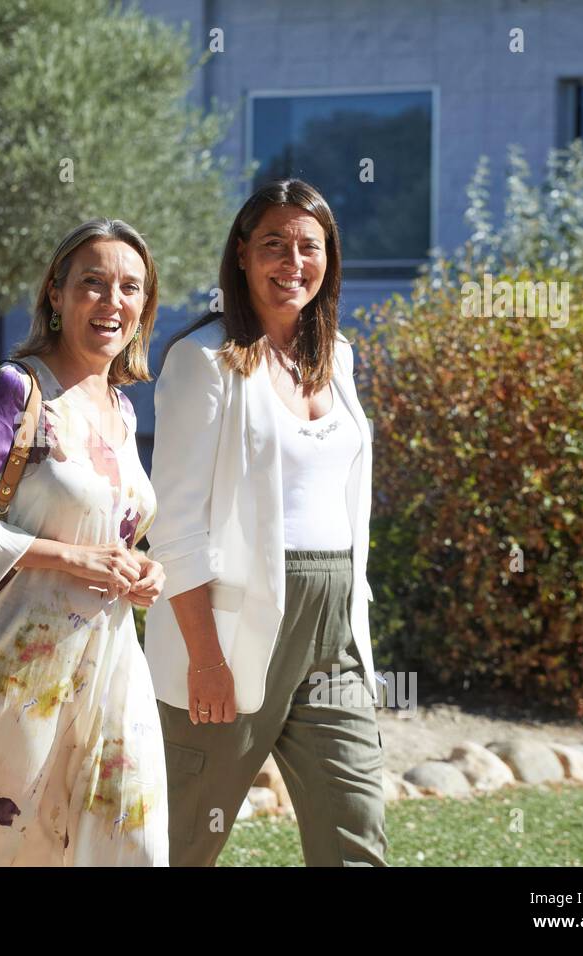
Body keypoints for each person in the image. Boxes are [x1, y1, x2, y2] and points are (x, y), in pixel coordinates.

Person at [145, 179, 387, 866]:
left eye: (309, 246)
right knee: (183, 839)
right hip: (230, 628)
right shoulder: (205, 361)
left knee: (355, 826)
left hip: (334, 625)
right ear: (243, 256)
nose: (293, 261)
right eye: (274, 244)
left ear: (329, 259)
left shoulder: (336, 357)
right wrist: (206, 660)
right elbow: (178, 525)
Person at [0, 218, 168, 866]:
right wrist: (69, 558)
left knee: (132, 845)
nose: (112, 301)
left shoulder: (122, 408)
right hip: (15, 676)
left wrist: (144, 570)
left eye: (129, 288)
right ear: (57, 294)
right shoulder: (18, 390)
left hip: (111, 671)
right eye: (93, 284)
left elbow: (109, 529)